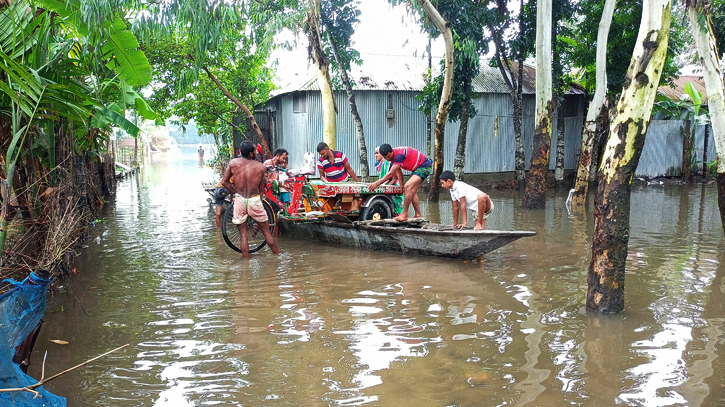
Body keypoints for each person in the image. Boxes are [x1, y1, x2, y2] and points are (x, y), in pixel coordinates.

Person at [221, 141, 280, 258]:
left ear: (240, 152)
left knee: (243, 235)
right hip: (254, 200)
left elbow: (224, 182)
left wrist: (235, 192)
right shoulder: (261, 167)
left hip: (240, 200)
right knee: (266, 232)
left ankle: (245, 265)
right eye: (255, 150)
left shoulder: (233, 163)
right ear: (252, 154)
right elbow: (260, 187)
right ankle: (278, 258)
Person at [368, 144, 432, 221]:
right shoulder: (392, 158)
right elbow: (399, 174)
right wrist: (401, 188)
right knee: (412, 191)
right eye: (385, 158)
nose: (388, 159)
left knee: (408, 186)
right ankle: (418, 214)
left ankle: (405, 214)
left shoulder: (399, 155)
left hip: (424, 166)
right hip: (418, 168)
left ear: (391, 151)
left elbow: (391, 174)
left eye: (388, 156)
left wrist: (376, 183)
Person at [374, 146, 404, 215]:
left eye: (377, 153)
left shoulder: (390, 163)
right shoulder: (380, 164)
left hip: (394, 186)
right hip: (386, 184)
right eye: (375, 153)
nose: (376, 155)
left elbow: (394, 179)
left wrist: (384, 187)